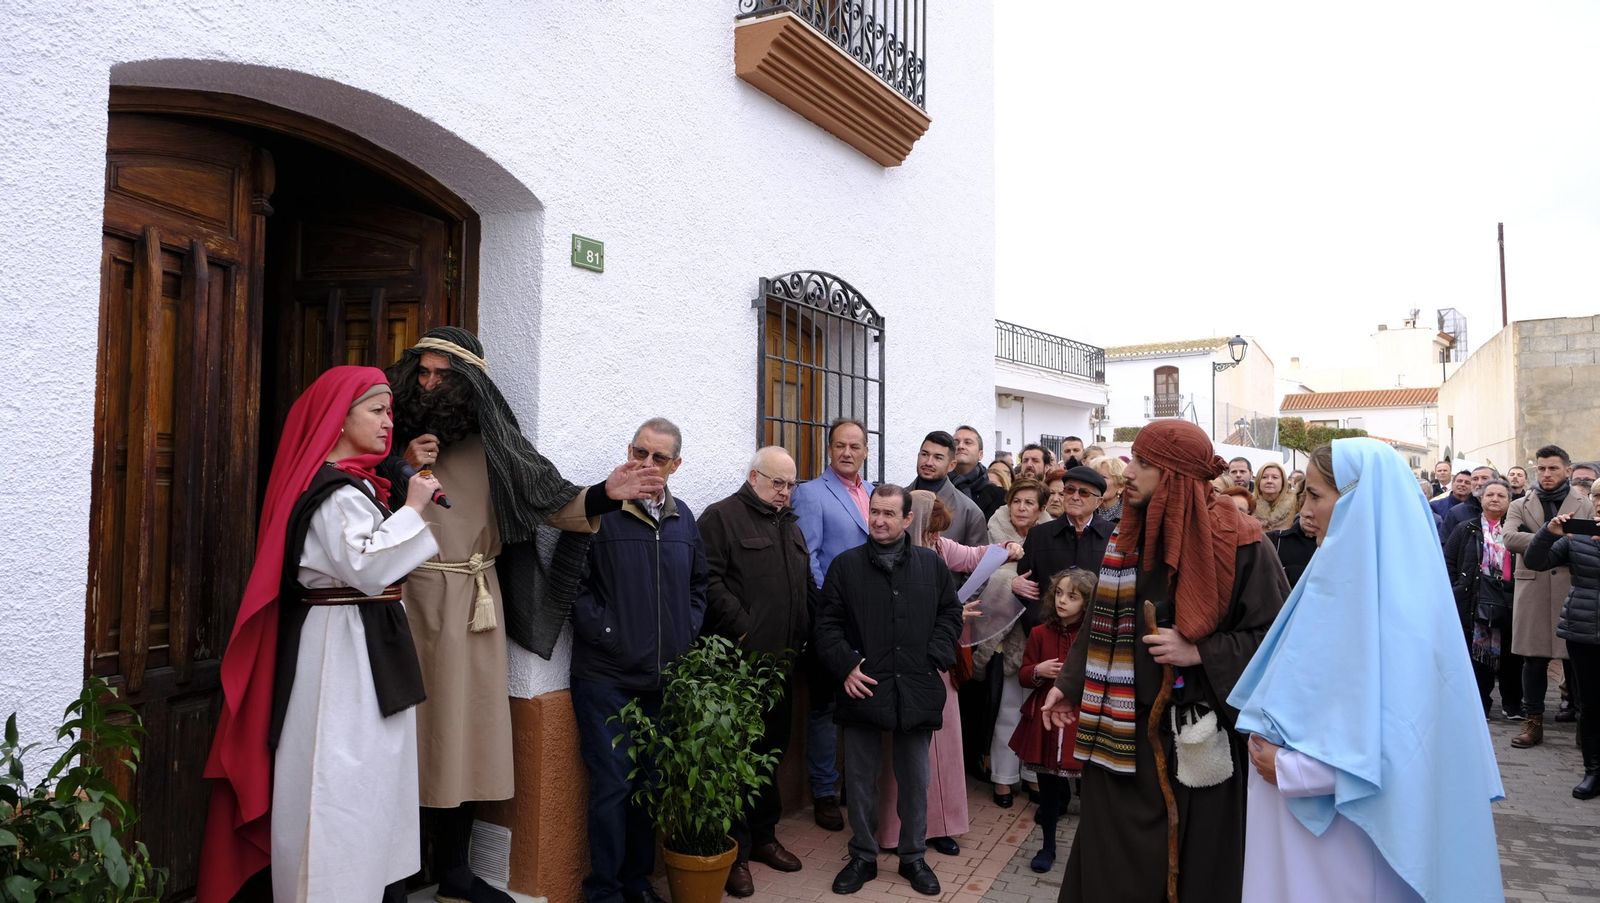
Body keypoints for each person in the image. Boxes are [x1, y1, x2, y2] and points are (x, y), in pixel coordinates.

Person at [384, 328, 662, 901]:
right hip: (409, 599)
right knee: (405, 738)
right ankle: (396, 873)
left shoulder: (498, 446)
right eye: (423, 373)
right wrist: (399, 467)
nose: (429, 385)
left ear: (469, 386)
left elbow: (554, 501)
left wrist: (607, 494)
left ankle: (455, 872)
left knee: (470, 737)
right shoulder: (389, 437)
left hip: (475, 605)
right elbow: (351, 496)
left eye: (443, 375)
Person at [199, 366, 444, 903]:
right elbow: (367, 567)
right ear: (339, 419)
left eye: (389, 412)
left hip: (365, 641)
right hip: (341, 649)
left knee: (367, 779)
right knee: (334, 777)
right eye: (376, 411)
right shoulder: (335, 493)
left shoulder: (358, 486)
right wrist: (412, 511)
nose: (388, 423)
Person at [1230, 438, 1504, 902]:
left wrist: (1296, 770)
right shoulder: (1330, 577)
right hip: (1293, 823)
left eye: (1316, 495)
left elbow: (1406, 737)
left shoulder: (1400, 606)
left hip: (1342, 835)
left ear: (1360, 500)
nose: (1306, 511)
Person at [1038, 418, 1289, 903]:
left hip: (1196, 739)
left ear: (1173, 475)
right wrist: (1069, 684)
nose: (1128, 472)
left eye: (1145, 463)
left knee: (1197, 869)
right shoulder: (1126, 534)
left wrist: (1200, 651)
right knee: (1110, 865)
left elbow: (1276, 641)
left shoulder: (1244, 542)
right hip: (1120, 734)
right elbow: (1099, 621)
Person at [570, 418, 708, 903]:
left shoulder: (683, 518)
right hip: (605, 677)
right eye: (639, 452)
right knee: (612, 786)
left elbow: (698, 586)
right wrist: (609, 633)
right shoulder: (602, 510)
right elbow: (570, 583)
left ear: (676, 466)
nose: (646, 464)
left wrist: (684, 633)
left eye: (658, 457)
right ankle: (603, 891)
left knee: (648, 785)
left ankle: (636, 882)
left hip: (661, 678)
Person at [816, 485, 963, 897]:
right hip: (863, 686)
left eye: (888, 514)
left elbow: (950, 613)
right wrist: (845, 664)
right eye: (874, 512)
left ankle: (914, 857)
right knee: (861, 779)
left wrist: (934, 656)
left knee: (915, 778)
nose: (879, 520)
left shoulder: (931, 566)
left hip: (915, 687)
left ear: (907, 520)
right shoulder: (845, 567)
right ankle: (863, 855)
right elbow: (826, 624)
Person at [698, 446, 816, 897]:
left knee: (770, 755)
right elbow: (706, 581)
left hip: (781, 668)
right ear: (753, 477)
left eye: (791, 485)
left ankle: (765, 837)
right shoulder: (721, 518)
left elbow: (802, 583)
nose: (785, 492)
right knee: (734, 763)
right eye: (777, 482)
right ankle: (735, 854)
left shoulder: (789, 525)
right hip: (737, 667)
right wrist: (744, 627)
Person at [792, 417, 875, 831]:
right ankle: (824, 791)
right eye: (839, 445)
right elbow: (808, 557)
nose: (847, 452)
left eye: (854, 446)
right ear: (829, 450)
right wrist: (837, 604)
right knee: (825, 708)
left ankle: (857, 788)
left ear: (865, 452)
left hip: (873, 620)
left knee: (864, 704)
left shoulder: (876, 494)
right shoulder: (809, 493)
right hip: (832, 617)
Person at [1505, 445, 1592, 746]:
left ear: (1567, 470)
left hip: (1572, 586)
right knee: (1533, 660)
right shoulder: (1519, 504)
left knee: (1577, 661)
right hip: (1533, 587)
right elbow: (1509, 538)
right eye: (1541, 468)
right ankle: (1533, 723)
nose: (1546, 474)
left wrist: (1551, 539)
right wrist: (1551, 534)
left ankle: (1585, 726)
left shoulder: (1585, 502)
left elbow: (1591, 538)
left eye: (1553, 468)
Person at [972, 479, 1051, 807]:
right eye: (1017, 501)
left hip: (1037, 639)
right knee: (1007, 712)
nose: (1021, 508)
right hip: (1003, 639)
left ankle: (1033, 776)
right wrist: (1010, 581)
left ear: (1040, 508)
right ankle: (1003, 779)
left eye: (1029, 503)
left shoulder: (1049, 536)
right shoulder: (992, 531)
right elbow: (978, 577)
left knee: (1037, 712)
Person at [1009, 568, 1092, 874]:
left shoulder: (1092, 637)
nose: (1063, 601)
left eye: (1073, 596)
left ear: (1087, 602)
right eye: (1059, 593)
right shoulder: (1039, 633)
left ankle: (1088, 853)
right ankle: (1048, 846)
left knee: (1089, 789)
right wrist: (1037, 671)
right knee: (1048, 790)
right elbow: (1023, 675)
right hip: (1045, 720)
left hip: (1078, 719)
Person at [1525, 507, 1600, 798]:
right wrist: (1547, 533)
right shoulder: (1576, 538)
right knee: (1590, 704)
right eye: (1597, 497)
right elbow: (1535, 561)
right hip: (1583, 631)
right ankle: (1593, 770)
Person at [1444, 479, 1522, 721]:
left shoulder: (1517, 530)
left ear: (1509, 501)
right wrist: (1458, 587)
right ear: (1481, 498)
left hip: (1510, 599)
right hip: (1475, 598)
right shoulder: (1466, 528)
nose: (1495, 498)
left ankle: (1513, 705)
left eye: (1501, 495)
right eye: (1490, 494)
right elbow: (1449, 561)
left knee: (1512, 656)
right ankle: (1481, 705)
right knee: (1479, 656)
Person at [1012, 466, 1113, 622]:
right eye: (1070, 490)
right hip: (1048, 631)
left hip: (1096, 633)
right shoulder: (1039, 535)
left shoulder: (1113, 536)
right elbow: (1026, 590)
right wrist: (1038, 625)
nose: (1075, 497)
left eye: (1084, 492)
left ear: (1098, 502)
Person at [909, 430, 988, 548]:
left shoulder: (969, 512)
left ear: (952, 465)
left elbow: (977, 562)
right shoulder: (898, 500)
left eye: (938, 458)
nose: (929, 462)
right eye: (925, 454)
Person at [951, 424, 1007, 519]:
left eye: (968, 442)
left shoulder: (1000, 496)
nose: (960, 446)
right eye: (956, 443)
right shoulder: (937, 488)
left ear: (980, 454)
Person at [1439, 465, 1498, 543]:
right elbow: (1445, 545)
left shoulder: (1508, 509)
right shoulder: (1456, 513)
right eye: (1475, 479)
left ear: (1497, 481)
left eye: (1484, 478)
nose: (1479, 483)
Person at [1252, 462, 1296, 532]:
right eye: (1264, 477)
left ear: (1283, 482)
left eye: (1275, 477)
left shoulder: (1296, 505)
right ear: (1258, 482)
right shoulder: (1249, 504)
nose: (1269, 481)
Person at [1091, 455, 1126, 524]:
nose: (1096, 481)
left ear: (1120, 487)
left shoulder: (1129, 516)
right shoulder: (1084, 510)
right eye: (1094, 476)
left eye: (1103, 477)